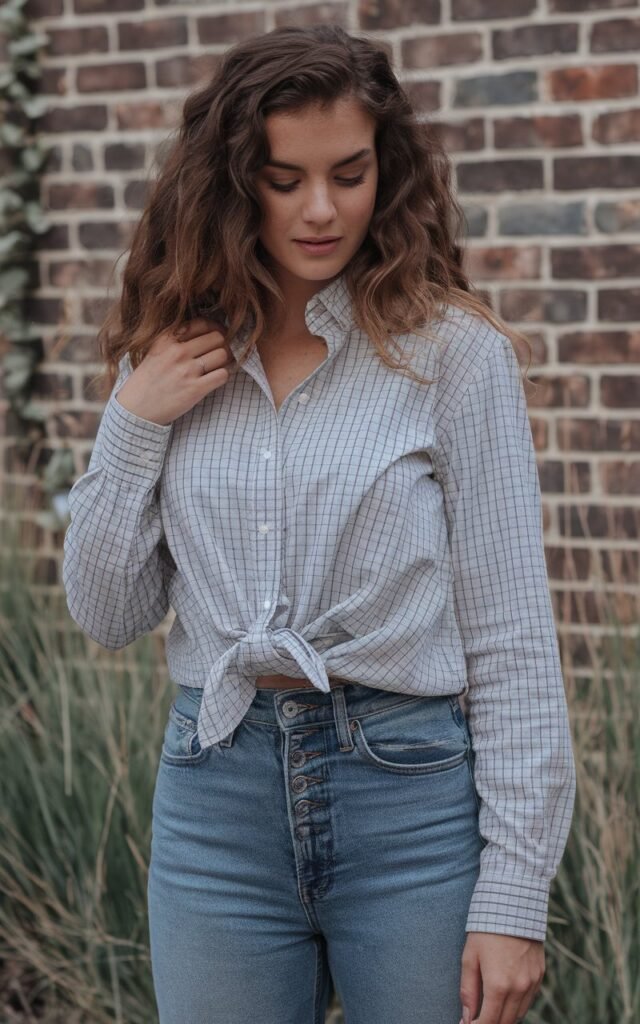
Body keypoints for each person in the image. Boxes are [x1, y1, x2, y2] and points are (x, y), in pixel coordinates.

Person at [62, 23, 577, 1024]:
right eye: (283, 178)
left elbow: (513, 640)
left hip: (410, 799)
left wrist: (515, 897)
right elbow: (106, 610)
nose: (321, 209)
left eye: (348, 172)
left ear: (387, 169)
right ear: (230, 181)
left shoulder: (453, 356)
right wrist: (132, 423)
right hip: (215, 799)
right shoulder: (170, 354)